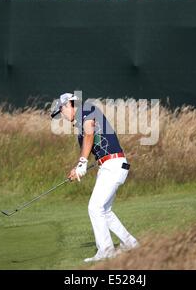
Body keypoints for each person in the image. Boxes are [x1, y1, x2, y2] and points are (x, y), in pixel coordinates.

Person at [51, 93, 139, 262]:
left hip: (113, 165)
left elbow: (90, 134)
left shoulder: (86, 109)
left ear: (69, 104)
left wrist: (82, 162)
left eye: (61, 110)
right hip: (110, 166)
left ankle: (106, 251)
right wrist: (77, 168)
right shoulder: (79, 127)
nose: (61, 115)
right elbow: (89, 146)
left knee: (94, 208)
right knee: (104, 211)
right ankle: (130, 243)